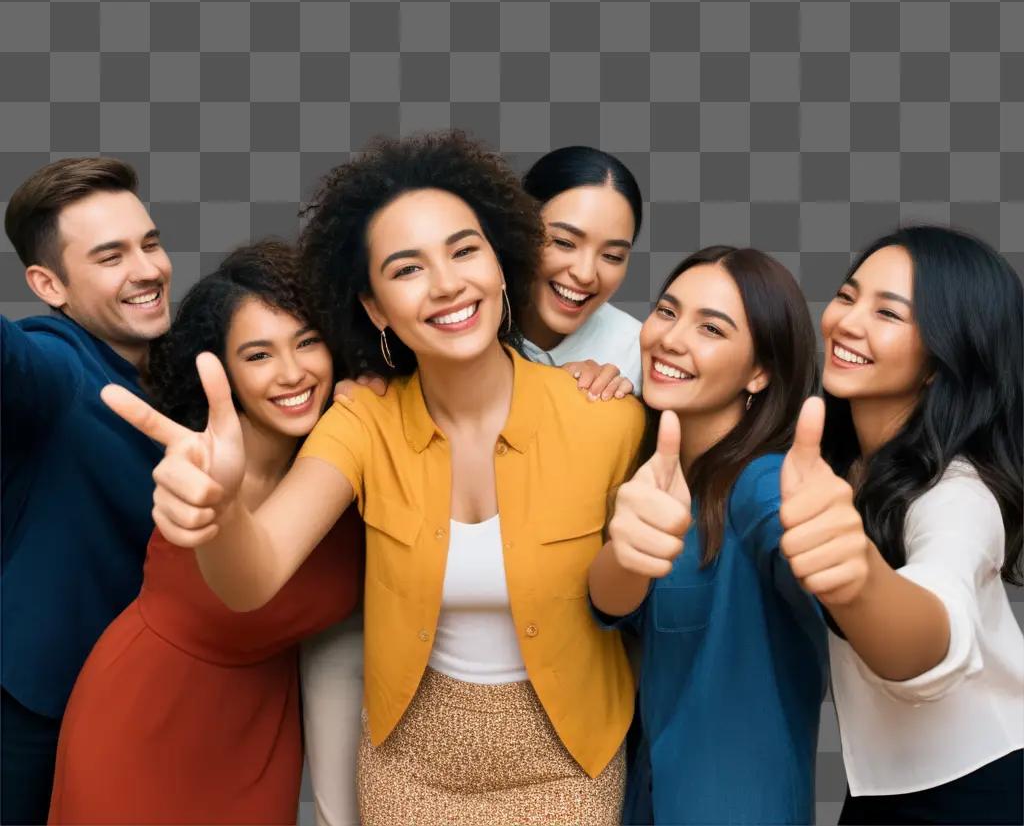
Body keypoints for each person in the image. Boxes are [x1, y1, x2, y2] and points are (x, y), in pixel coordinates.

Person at [102, 132, 648, 826]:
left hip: (567, 760)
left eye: (463, 250)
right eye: (407, 268)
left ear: (502, 262)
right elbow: (254, 576)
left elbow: (623, 605)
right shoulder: (363, 421)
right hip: (409, 766)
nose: (447, 283)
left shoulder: (606, 419)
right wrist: (222, 513)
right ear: (375, 308)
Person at [48, 242, 363, 825]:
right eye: (258, 354)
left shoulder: (350, 451)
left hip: (260, 735)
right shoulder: (200, 468)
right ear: (224, 370)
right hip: (141, 721)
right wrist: (212, 502)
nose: (292, 372)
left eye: (307, 341)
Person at [777, 226, 1024, 825]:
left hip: (982, 788)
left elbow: (941, 618)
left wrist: (859, 579)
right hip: (878, 786)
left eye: (888, 313)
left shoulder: (958, 494)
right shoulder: (835, 464)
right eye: (846, 295)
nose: (846, 322)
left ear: (943, 357)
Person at [588, 246, 828, 825]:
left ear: (760, 371)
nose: (670, 338)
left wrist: (827, 544)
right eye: (667, 312)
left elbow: (815, 569)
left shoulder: (762, 485)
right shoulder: (655, 476)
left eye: (711, 329)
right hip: (650, 798)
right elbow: (607, 605)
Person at [1, 157, 171, 826]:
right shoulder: (52, 367)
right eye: (110, 256)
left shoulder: (182, 370)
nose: (148, 269)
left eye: (150, 243)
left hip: (145, 716)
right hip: (35, 714)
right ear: (49, 284)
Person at [519, 146, 644, 398]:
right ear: (518, 227)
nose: (586, 274)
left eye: (612, 256)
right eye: (564, 242)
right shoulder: (468, 319)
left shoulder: (638, 354)